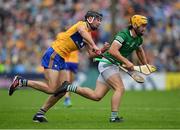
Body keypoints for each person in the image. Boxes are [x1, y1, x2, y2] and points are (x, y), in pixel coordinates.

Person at [55, 15, 150, 122]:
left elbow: (139, 51)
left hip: (113, 66)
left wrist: (145, 65)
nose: (144, 28)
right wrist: (127, 62)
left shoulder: (138, 39)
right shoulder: (123, 35)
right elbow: (112, 51)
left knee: (97, 96)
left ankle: (69, 87)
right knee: (120, 88)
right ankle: (114, 117)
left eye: (145, 26)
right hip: (108, 64)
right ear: (135, 25)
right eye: (142, 26)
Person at [8, 11, 105, 98]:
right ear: (90, 19)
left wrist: (102, 49)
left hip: (61, 57)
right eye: (98, 20)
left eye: (100, 20)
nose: (99, 22)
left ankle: (41, 113)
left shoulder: (88, 36)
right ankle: (21, 81)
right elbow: (82, 32)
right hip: (54, 54)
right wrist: (94, 45)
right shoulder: (82, 25)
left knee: (62, 88)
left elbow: (91, 55)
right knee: (52, 89)